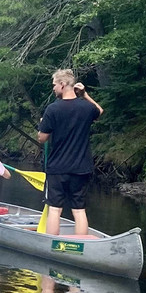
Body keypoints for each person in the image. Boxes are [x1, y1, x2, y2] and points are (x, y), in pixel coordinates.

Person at [36, 69, 103, 236]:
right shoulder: (86, 107)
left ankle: (51, 244)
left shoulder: (52, 109)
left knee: (55, 209)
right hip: (81, 168)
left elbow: (41, 138)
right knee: (79, 210)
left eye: (54, 85)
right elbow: (99, 111)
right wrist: (84, 95)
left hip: (57, 168)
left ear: (62, 84)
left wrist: (43, 124)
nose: (53, 89)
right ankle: (81, 247)